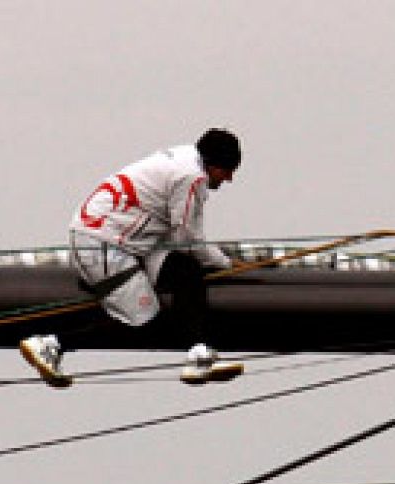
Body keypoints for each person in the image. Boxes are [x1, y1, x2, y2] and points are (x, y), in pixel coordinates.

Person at [19, 128, 245, 388]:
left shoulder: (184, 159)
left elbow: (181, 242)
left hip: (131, 240)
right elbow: (187, 238)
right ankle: (51, 344)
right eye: (228, 170)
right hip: (103, 243)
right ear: (213, 163)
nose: (228, 179)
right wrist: (226, 264)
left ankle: (198, 353)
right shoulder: (192, 176)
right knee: (143, 318)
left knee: (186, 271)